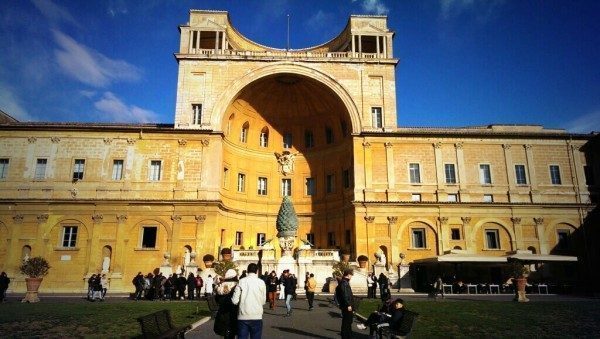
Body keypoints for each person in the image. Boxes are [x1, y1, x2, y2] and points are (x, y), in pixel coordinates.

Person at [232, 263, 266, 339]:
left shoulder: (241, 281)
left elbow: (234, 301)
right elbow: (263, 301)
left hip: (243, 316)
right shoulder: (261, 282)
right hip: (257, 316)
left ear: (247, 271)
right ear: (257, 271)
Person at [213, 269, 239, 339]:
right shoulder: (237, 286)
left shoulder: (220, 286)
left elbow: (217, 299)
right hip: (233, 312)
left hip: (222, 312)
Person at [336, 269, 355, 339]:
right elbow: (345, 295)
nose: (351, 277)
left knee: (348, 321)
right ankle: (345, 336)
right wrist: (348, 305)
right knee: (346, 322)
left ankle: (348, 335)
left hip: (346, 305)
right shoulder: (344, 282)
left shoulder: (344, 282)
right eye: (351, 275)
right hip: (347, 306)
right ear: (348, 275)